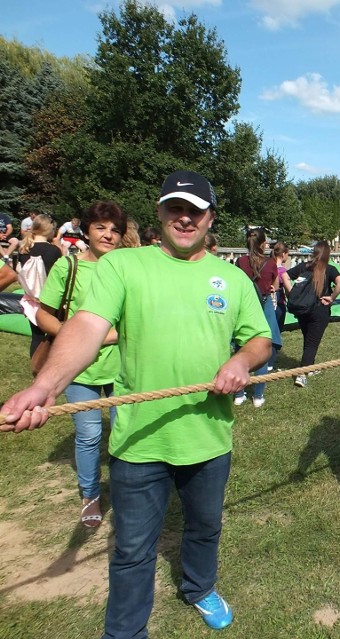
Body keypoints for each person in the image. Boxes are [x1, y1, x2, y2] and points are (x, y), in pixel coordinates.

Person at [1, 169, 272, 636]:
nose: (185, 219)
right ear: (160, 212)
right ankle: (125, 632)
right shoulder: (122, 267)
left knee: (205, 529)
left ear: (210, 218)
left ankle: (199, 587)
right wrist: (44, 387)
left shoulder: (231, 277)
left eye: (196, 211)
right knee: (131, 550)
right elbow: (86, 327)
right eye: (176, 209)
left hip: (207, 436)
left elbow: (261, 340)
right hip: (138, 439)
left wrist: (242, 360)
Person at [35, 201, 128, 527]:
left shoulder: (127, 267)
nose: (108, 234)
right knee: (88, 435)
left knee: (123, 431)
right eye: (101, 227)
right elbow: (43, 314)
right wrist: (75, 336)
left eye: (115, 229)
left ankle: (125, 490)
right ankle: (90, 494)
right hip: (80, 369)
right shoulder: (68, 267)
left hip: (121, 367)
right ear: (86, 230)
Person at [282, 240, 340, 388]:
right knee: (312, 344)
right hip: (319, 310)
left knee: (308, 339)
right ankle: (302, 374)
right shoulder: (329, 269)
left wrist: (292, 293)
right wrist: (332, 297)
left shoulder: (304, 266)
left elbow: (284, 275)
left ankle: (309, 366)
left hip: (303, 310)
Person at [234, 228, 282, 407]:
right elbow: (275, 286)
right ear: (263, 244)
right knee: (262, 349)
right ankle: (258, 396)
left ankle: (239, 394)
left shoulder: (240, 261)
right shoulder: (270, 263)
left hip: (244, 309)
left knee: (241, 348)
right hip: (263, 307)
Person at [17, 214, 63, 359]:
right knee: (53, 335)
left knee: (36, 337)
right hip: (49, 300)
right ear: (50, 230)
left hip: (30, 299)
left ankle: (35, 364)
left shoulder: (24, 249)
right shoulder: (54, 251)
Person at [272, 241, 290, 331]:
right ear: (283, 254)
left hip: (267, 302)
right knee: (277, 331)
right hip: (279, 302)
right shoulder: (283, 271)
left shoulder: (267, 267)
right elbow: (289, 290)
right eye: (287, 254)